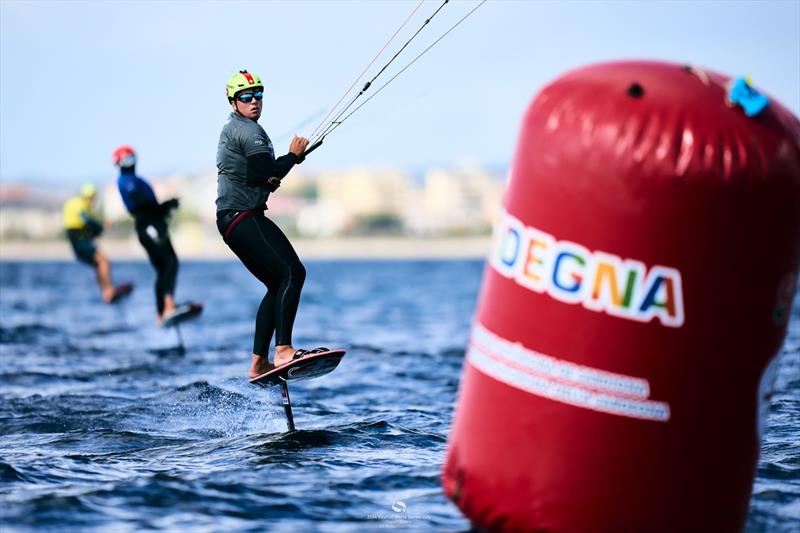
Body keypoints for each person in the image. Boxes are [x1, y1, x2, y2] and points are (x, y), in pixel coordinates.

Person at [215, 69, 325, 379]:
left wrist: (289, 160)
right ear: (233, 101)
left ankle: (258, 363)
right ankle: (283, 350)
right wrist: (292, 156)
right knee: (293, 272)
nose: (254, 102)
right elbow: (268, 175)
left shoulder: (237, 128)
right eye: (246, 97)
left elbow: (264, 176)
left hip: (233, 220)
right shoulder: (249, 132)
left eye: (258, 95)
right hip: (242, 216)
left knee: (277, 282)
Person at [113, 145, 185, 324]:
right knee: (169, 263)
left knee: (166, 267)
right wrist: (164, 206)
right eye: (126, 159)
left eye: (132, 158)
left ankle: (162, 312)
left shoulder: (138, 179)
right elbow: (142, 205)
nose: (130, 162)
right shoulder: (126, 180)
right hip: (148, 227)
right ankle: (167, 307)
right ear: (119, 163)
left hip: (155, 224)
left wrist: (166, 206)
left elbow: (150, 206)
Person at [62, 183, 130, 303]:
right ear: (89, 196)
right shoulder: (80, 204)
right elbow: (86, 220)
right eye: (93, 198)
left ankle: (106, 292)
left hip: (78, 240)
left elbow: (89, 227)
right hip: (79, 240)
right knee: (104, 261)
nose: (93, 201)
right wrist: (99, 227)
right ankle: (108, 291)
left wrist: (98, 228)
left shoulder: (81, 205)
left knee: (98, 264)